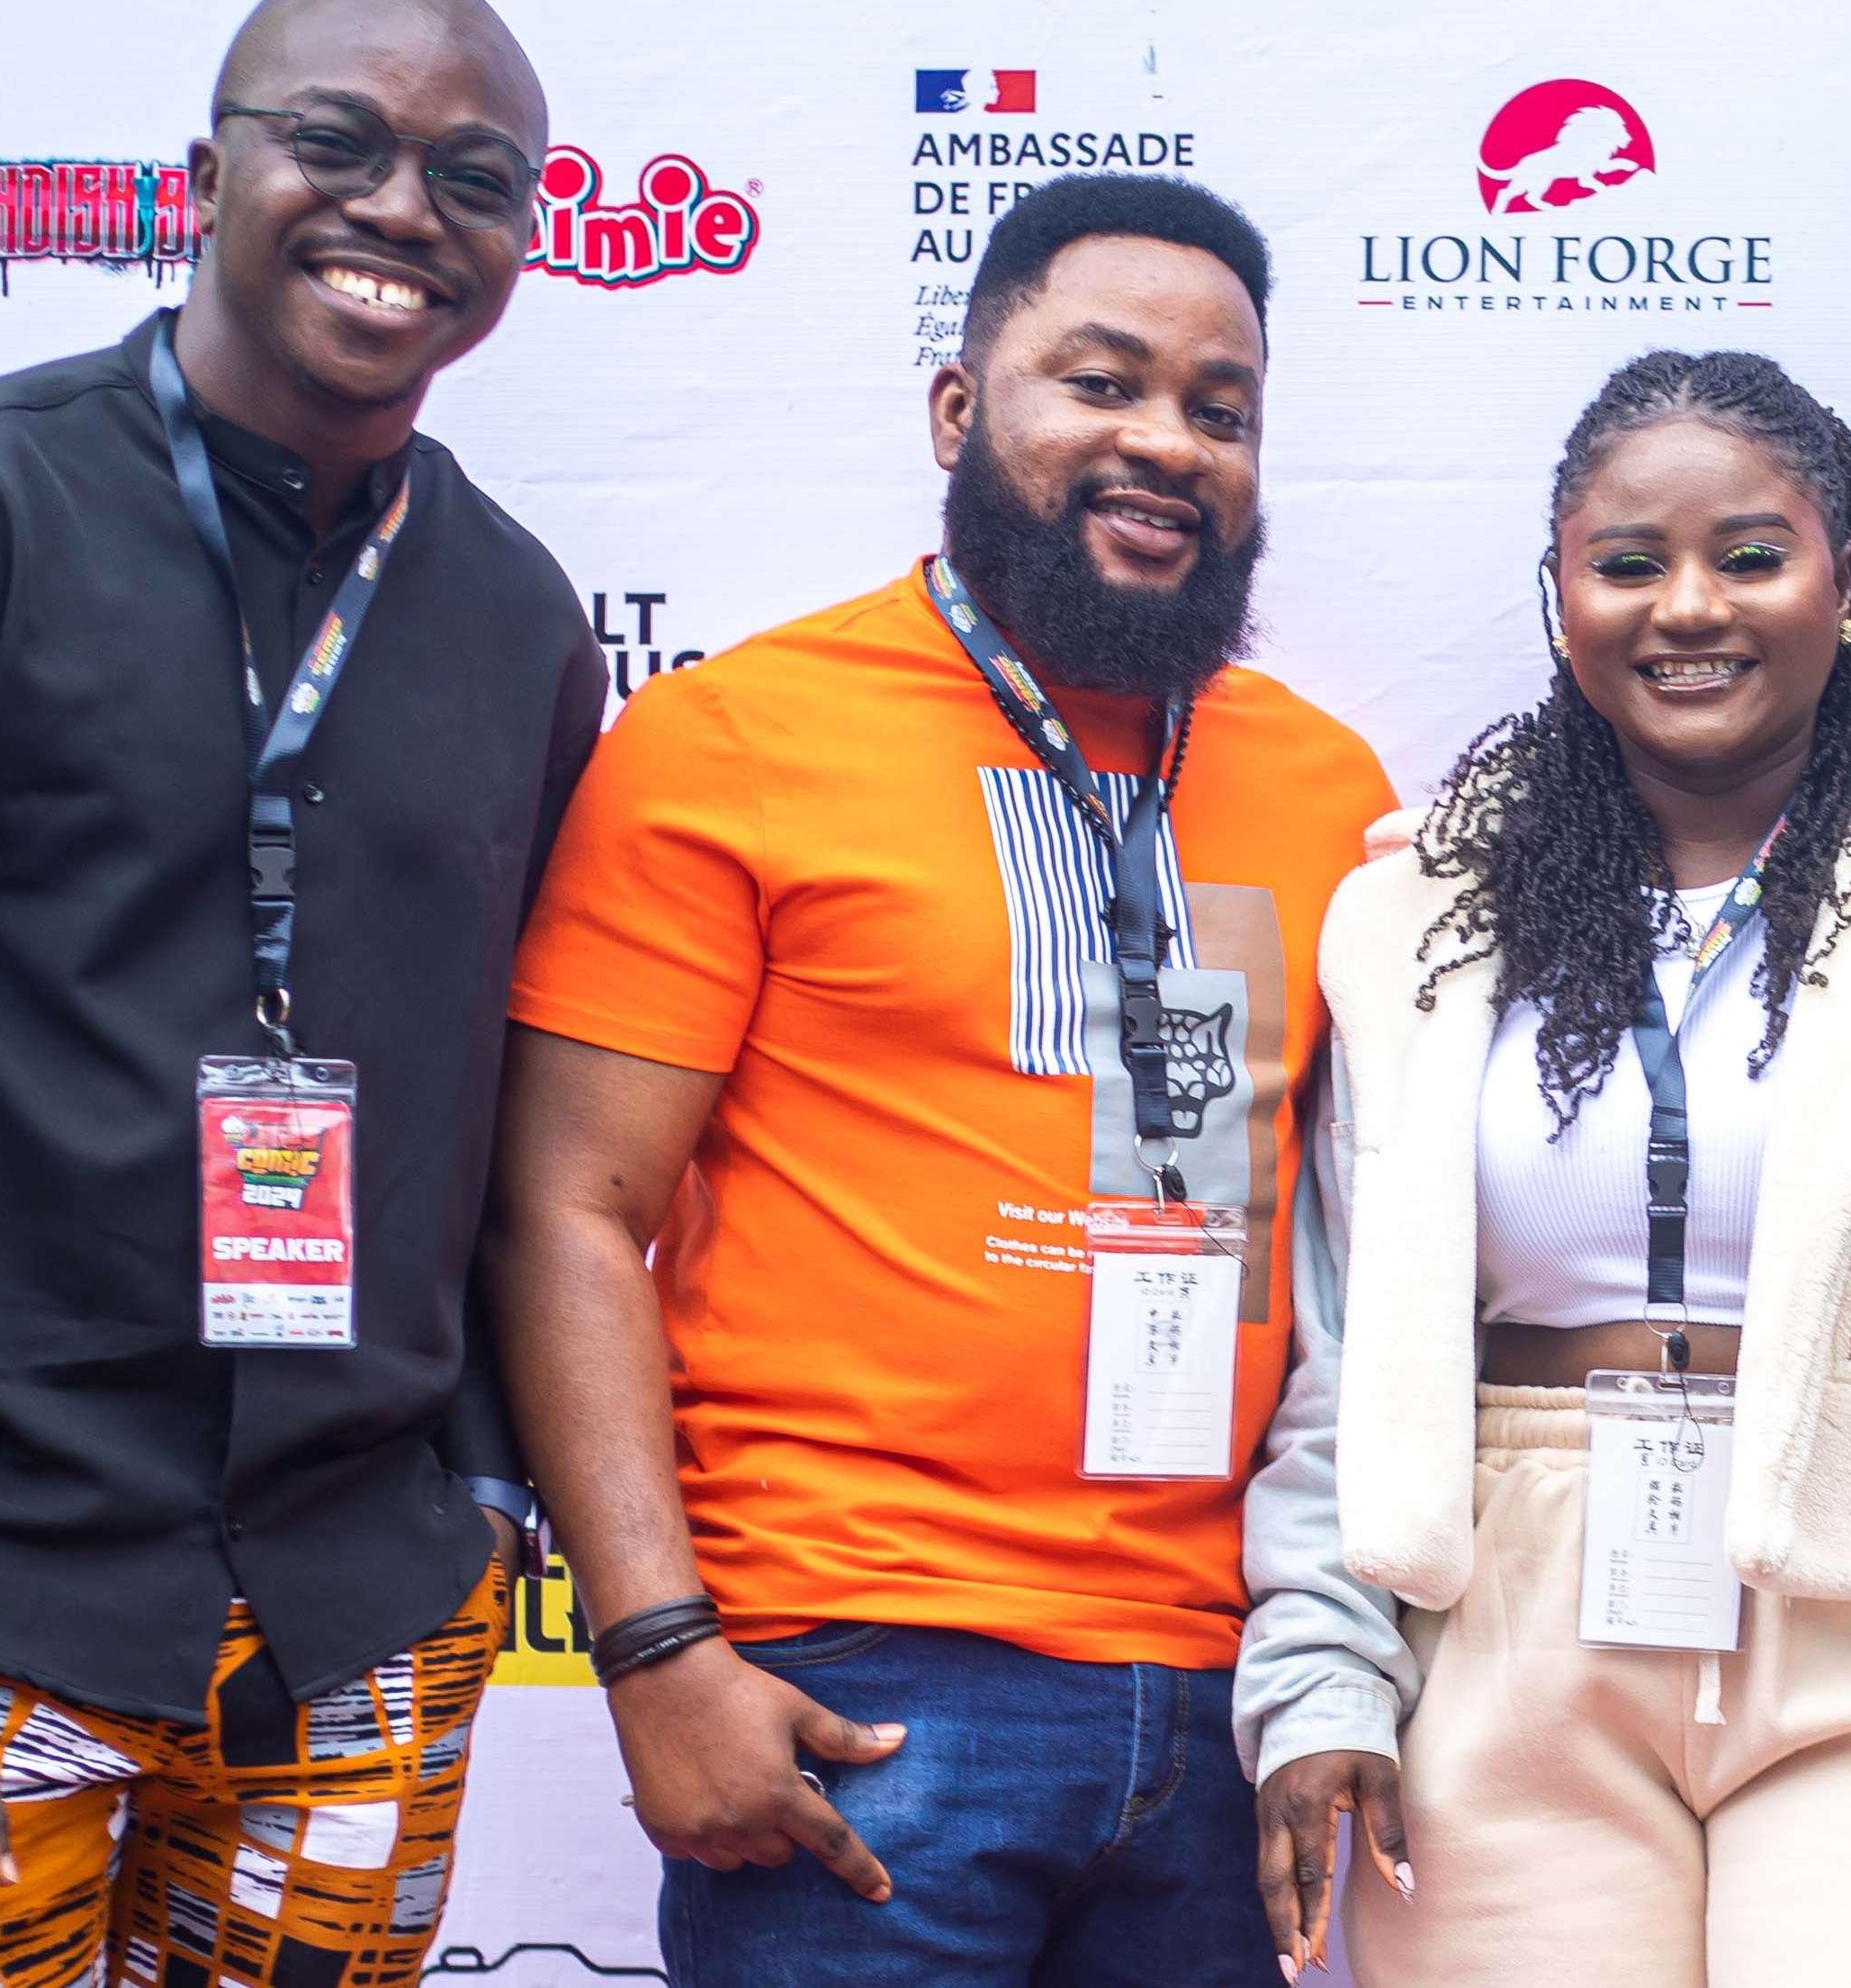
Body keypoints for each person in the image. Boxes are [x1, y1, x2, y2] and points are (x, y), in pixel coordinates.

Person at [489, 173, 1393, 1986]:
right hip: (861, 1685)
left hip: (1222, 1697)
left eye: (1222, 411)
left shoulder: (1325, 785)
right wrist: (657, 1649)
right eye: (1104, 380)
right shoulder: (737, 740)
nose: (1166, 442)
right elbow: (565, 1209)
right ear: (961, 410)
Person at [0, 0, 590, 1985]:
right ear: (203, 174)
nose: (403, 209)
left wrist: (479, 1504)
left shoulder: (514, 622)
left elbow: (516, 1118)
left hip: (355, 1636)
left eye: (474, 176)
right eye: (337, 142)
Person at [1237, 350, 1851, 1986]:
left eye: (1751, 554)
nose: (1687, 605)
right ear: (1561, 600)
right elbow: (1342, 1359)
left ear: (1846, 586)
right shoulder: (1417, 916)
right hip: (1504, 1644)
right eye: (1629, 564)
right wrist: (1324, 1677)